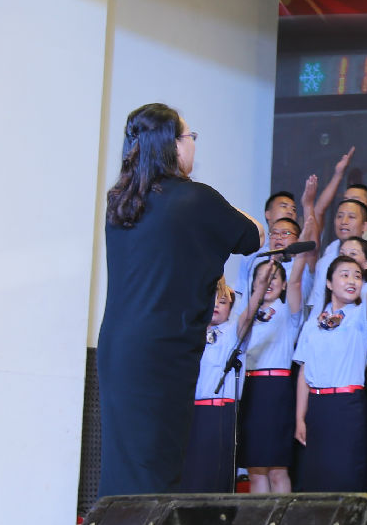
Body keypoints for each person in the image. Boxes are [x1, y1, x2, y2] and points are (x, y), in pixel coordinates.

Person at [95, 103, 261, 498]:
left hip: (118, 346)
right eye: (190, 137)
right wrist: (208, 195)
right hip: (162, 349)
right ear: (172, 145)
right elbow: (254, 235)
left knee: (125, 465)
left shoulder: (122, 202)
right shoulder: (194, 199)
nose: (194, 145)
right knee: (156, 465)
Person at [293, 225, 367, 493]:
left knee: (347, 480)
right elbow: (304, 373)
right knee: (316, 485)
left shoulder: (361, 317)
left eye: (357, 275)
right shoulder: (313, 323)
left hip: (347, 406)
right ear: (329, 283)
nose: (352, 280)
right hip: (317, 407)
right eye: (344, 275)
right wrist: (300, 418)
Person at [238, 211, 311, 494]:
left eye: (274, 278)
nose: (268, 282)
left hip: (278, 388)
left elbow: (296, 281)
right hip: (251, 388)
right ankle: (259, 520)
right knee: (256, 469)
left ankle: (283, 520)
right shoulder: (245, 313)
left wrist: (305, 236)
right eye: (262, 278)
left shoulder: (288, 311)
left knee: (278, 468)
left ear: (282, 284)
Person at [176, 279, 244, 493]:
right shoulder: (191, 332)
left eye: (222, 302)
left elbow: (248, 316)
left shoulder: (233, 332)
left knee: (213, 471)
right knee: (189, 471)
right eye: (212, 301)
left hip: (218, 409)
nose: (216, 306)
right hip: (190, 409)